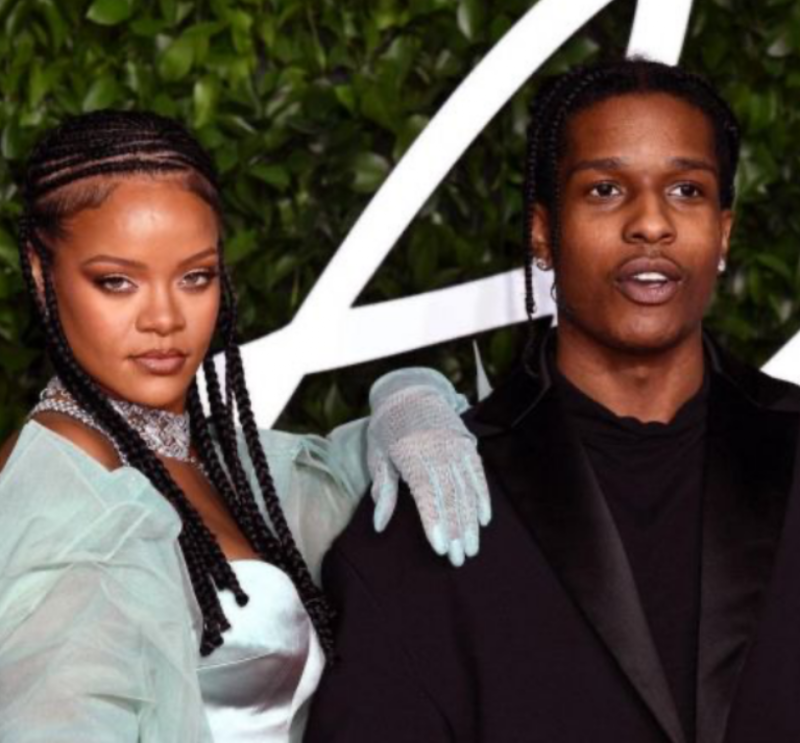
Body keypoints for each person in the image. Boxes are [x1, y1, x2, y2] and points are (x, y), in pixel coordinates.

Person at [305, 58, 800, 743]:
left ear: (723, 231)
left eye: (686, 189)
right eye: (605, 189)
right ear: (543, 232)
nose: (650, 222)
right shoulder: (437, 504)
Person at [0, 110, 491, 743]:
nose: (164, 318)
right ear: (43, 277)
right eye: (117, 282)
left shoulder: (212, 458)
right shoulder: (68, 503)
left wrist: (409, 397)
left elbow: (347, 491)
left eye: (195, 277)